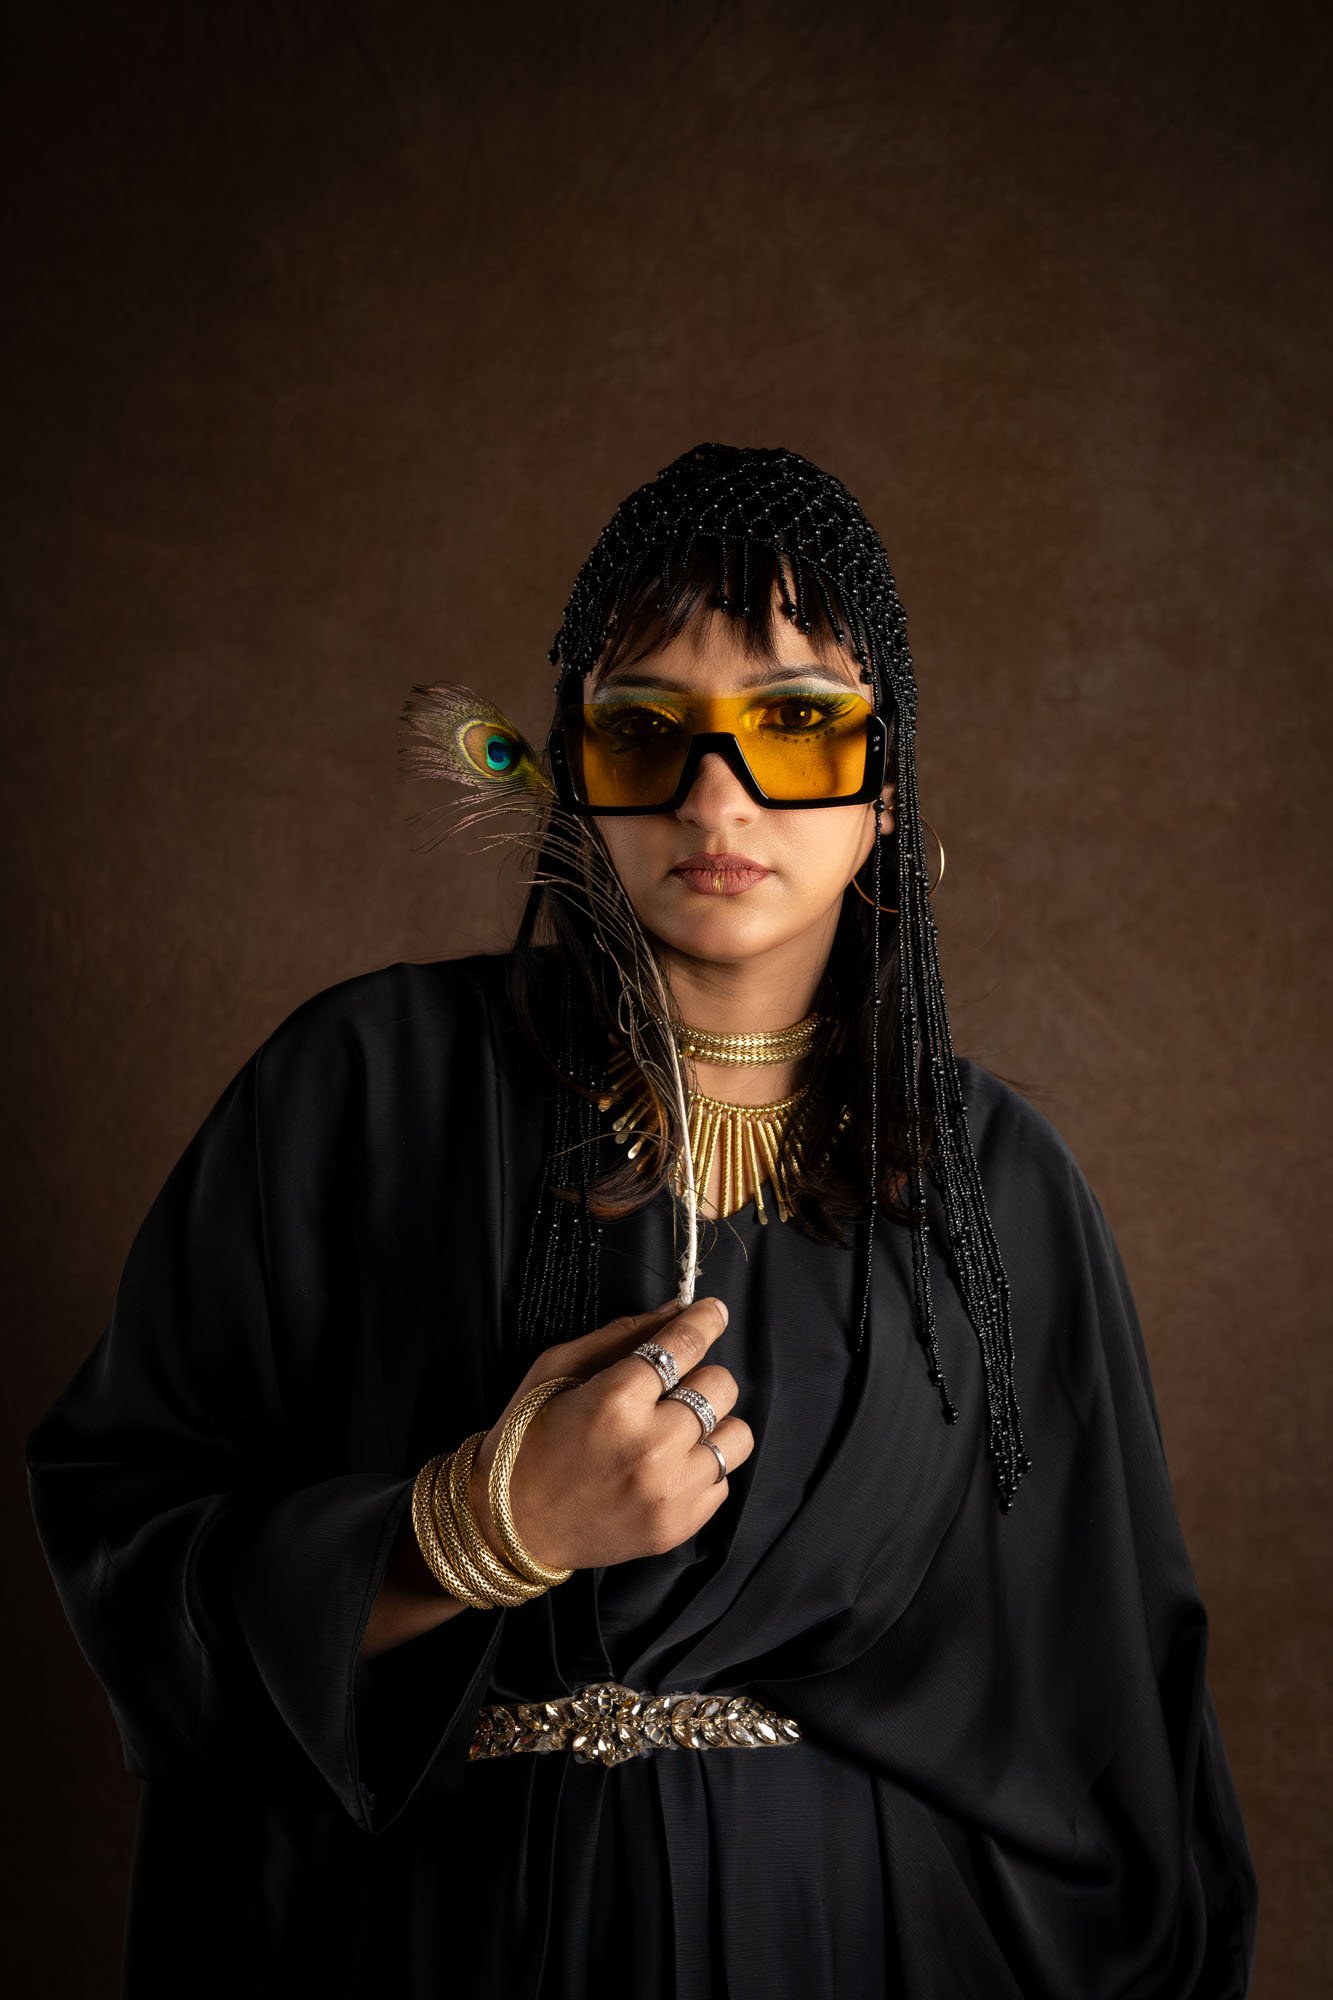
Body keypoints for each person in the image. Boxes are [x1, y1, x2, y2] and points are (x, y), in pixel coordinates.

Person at [27, 443, 1258, 1998]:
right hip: (431, 1946)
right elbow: (131, 1553)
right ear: (565, 770)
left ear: (886, 789)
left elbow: (1114, 1732)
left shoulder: (998, 1183)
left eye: (795, 723)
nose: (713, 794)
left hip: (861, 1948)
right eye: (644, 729)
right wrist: (481, 1528)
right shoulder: (363, 1088)